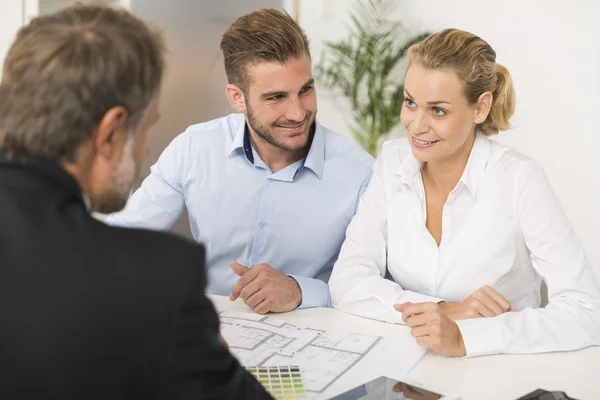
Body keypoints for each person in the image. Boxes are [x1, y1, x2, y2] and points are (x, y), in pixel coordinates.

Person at [0, 4, 271, 399]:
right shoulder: (154, 285)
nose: (144, 150)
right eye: (147, 128)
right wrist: (199, 353)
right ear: (110, 134)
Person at [329, 28, 600, 357]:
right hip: (410, 367)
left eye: (438, 110)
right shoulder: (391, 162)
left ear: (480, 108)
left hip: (500, 373)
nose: (416, 125)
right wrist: (445, 310)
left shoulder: (518, 179)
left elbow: (587, 312)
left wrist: (467, 337)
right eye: (410, 102)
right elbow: (346, 281)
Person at [106, 9, 374, 313]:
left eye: (306, 90)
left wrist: (302, 291)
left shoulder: (361, 175)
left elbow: (377, 287)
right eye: (276, 97)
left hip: (317, 339)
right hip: (211, 334)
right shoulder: (194, 149)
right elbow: (122, 239)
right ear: (237, 98)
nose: (298, 113)